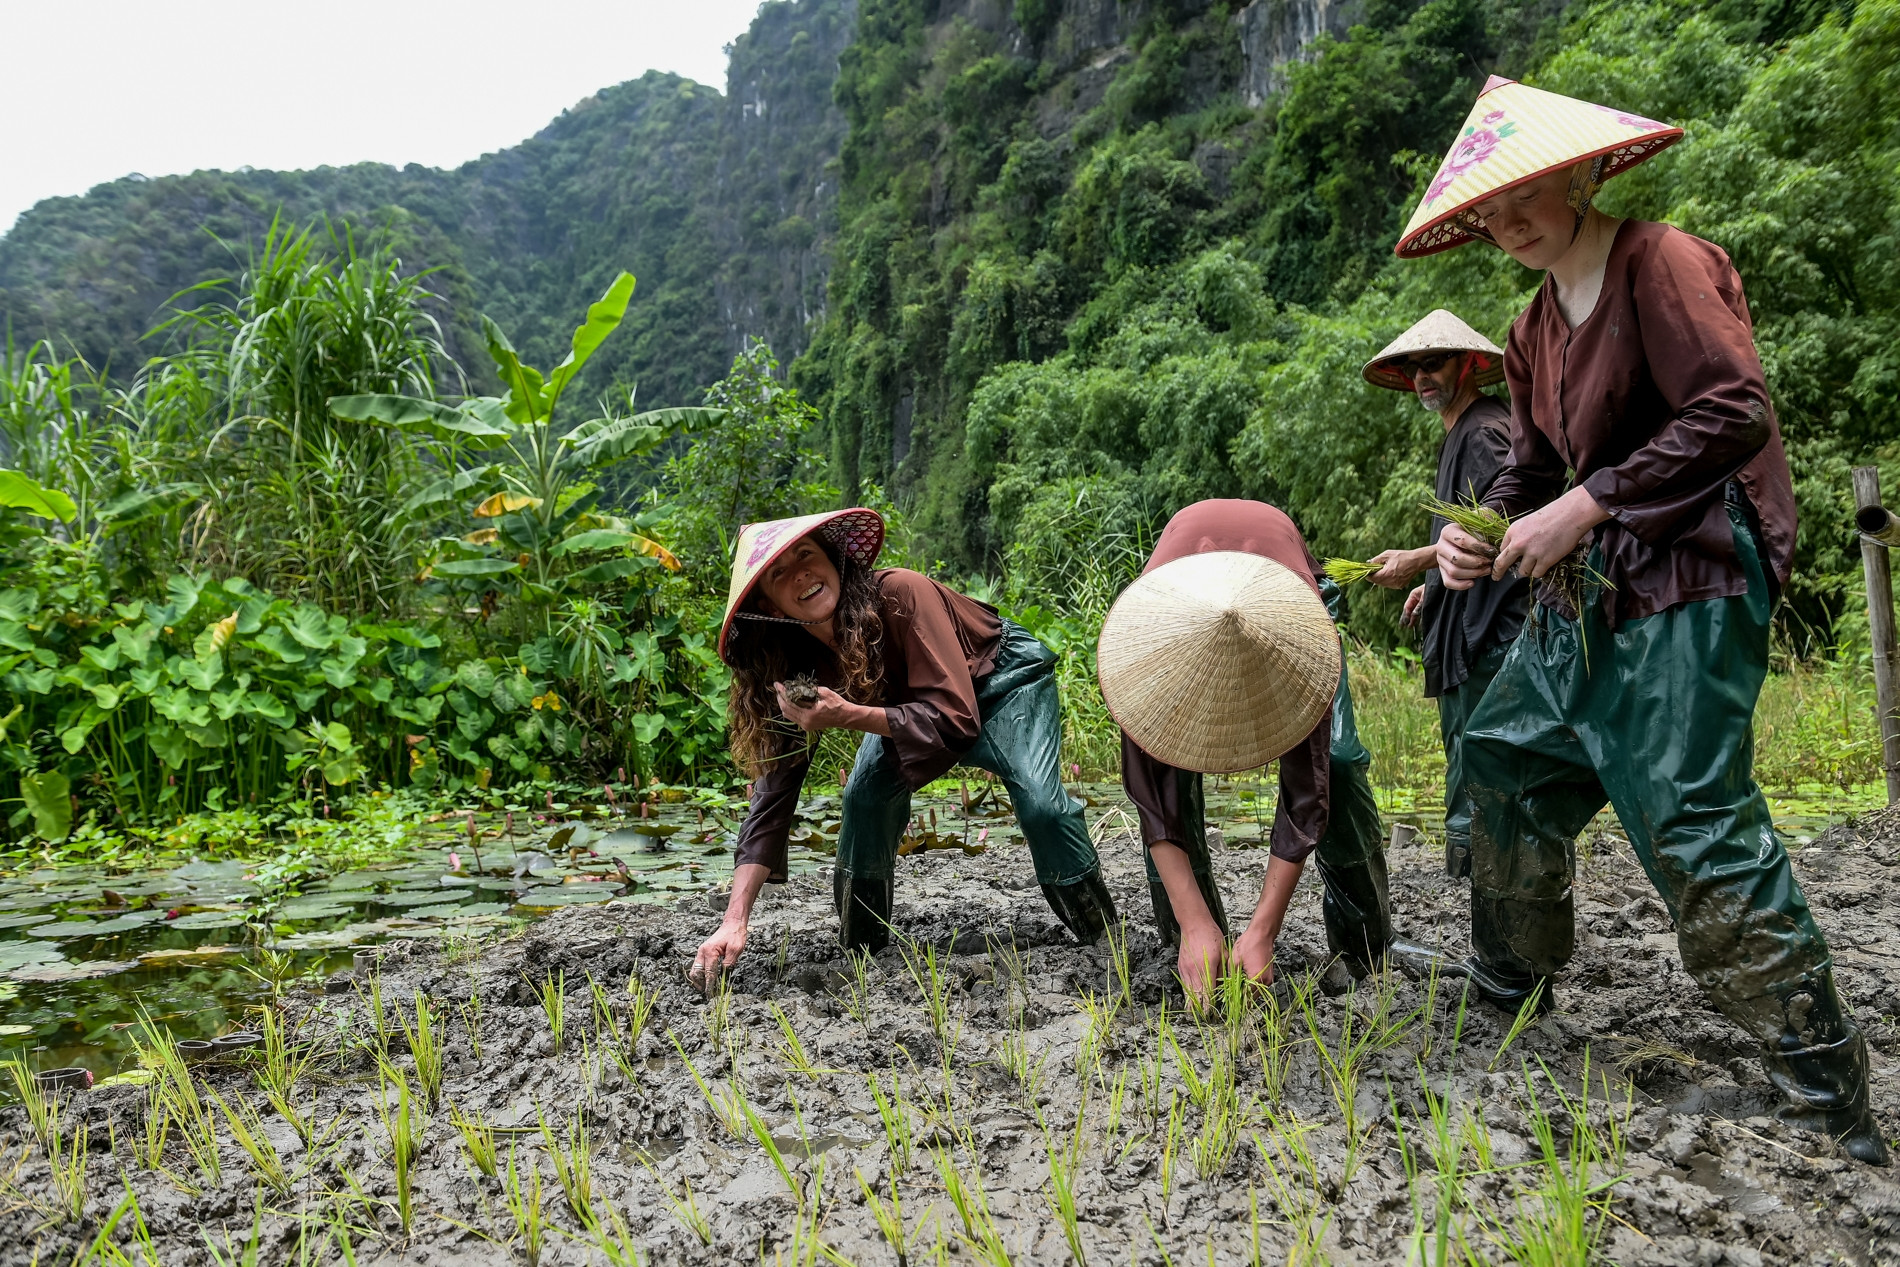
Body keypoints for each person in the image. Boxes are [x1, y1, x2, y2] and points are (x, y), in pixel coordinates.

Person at [1398, 76, 1887, 1162]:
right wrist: (1475, 536)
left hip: (1695, 570)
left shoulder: (1659, 262)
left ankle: (1824, 1090)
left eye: (1526, 194)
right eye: (1489, 210)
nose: (1509, 221)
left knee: (1691, 812)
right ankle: (1508, 979)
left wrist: (1591, 500)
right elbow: (1526, 472)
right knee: (1503, 750)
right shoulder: (1529, 330)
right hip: (1595, 584)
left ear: (1581, 172)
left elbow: (1734, 408)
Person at [691, 508, 1116, 982]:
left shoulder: (900, 593)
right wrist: (734, 919)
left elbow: (955, 719)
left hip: (1000, 681)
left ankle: (1102, 937)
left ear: (834, 560)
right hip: (906, 706)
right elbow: (774, 792)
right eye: (780, 573)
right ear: (770, 604)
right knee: (865, 800)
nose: (801, 575)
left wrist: (848, 715)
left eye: (807, 555)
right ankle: (862, 954)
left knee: (1042, 806)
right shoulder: (791, 665)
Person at [1097, 499, 1391, 1001]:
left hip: (1280, 583)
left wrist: (1263, 932)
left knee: (1337, 761)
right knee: (1168, 767)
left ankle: (1366, 946)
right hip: (1179, 594)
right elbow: (1151, 795)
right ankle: (1190, 933)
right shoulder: (1146, 657)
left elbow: (1307, 789)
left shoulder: (1300, 647)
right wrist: (1195, 923)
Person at [1361, 311, 1531, 877]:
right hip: (1469, 623)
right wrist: (1433, 585)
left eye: (1435, 364)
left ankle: (1484, 891)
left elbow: (1500, 528)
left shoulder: (1483, 431)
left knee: (1481, 759)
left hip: (1492, 633)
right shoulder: (1463, 431)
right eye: (1415, 369)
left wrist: (1417, 560)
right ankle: (1472, 889)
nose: (1422, 378)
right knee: (1468, 754)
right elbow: (1460, 541)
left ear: (1471, 364)